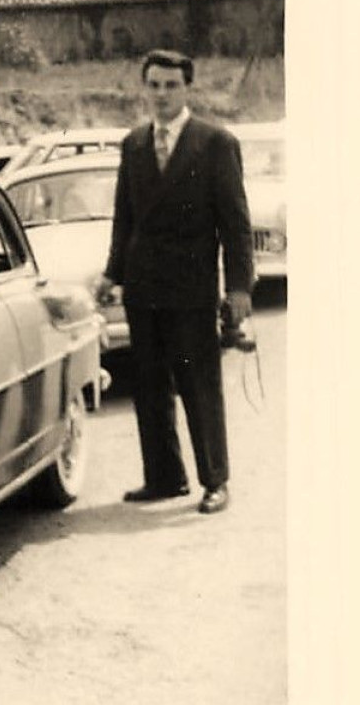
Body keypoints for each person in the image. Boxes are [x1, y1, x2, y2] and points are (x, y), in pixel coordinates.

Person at [96, 50, 254, 515]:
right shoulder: (134, 144)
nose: (161, 94)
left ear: (187, 89)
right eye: (154, 85)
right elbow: (125, 219)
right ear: (144, 88)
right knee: (148, 386)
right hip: (144, 289)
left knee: (198, 386)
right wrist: (112, 273)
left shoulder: (215, 143)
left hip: (191, 290)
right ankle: (164, 478)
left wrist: (240, 289)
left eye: (171, 85)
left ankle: (215, 481)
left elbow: (236, 223)